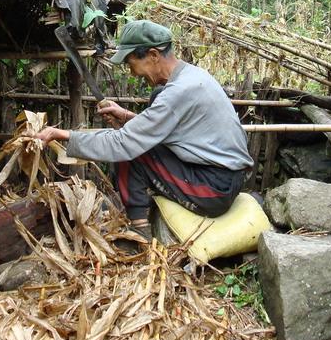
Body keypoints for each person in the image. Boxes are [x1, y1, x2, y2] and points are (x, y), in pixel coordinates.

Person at [33, 20, 253, 240]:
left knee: (131, 152)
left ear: (153, 55)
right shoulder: (193, 77)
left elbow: (122, 144)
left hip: (214, 189)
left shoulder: (178, 92)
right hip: (224, 179)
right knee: (137, 138)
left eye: (131, 63)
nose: (132, 73)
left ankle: (140, 230)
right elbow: (177, 130)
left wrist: (62, 135)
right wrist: (128, 117)